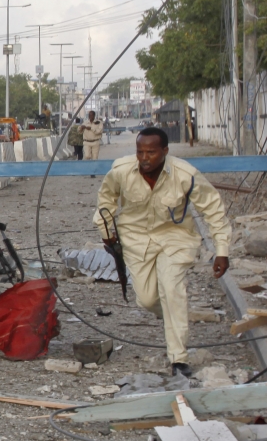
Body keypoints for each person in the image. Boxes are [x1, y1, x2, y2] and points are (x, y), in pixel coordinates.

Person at [95, 128, 230, 377]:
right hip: (136, 240)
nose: (144, 158)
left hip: (175, 239)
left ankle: (178, 358)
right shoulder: (121, 171)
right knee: (146, 299)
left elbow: (214, 209)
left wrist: (222, 250)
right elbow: (106, 199)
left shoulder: (185, 174)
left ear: (165, 152)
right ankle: (174, 317)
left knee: (172, 288)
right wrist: (105, 229)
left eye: (151, 152)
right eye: (140, 152)